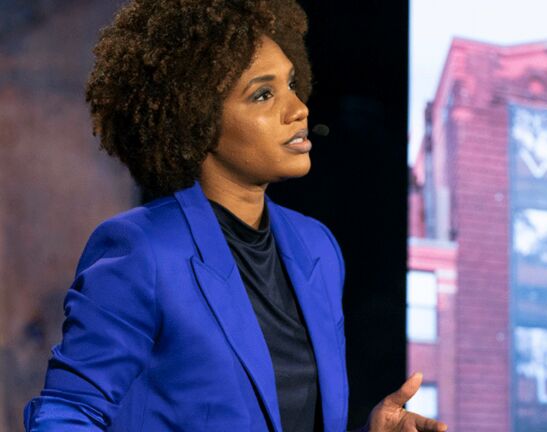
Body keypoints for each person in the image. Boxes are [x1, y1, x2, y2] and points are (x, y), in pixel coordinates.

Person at [22, 1, 448, 431]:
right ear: (197, 121)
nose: (298, 107)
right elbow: (67, 414)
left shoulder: (317, 246)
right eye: (263, 94)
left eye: (292, 84)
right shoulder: (142, 250)